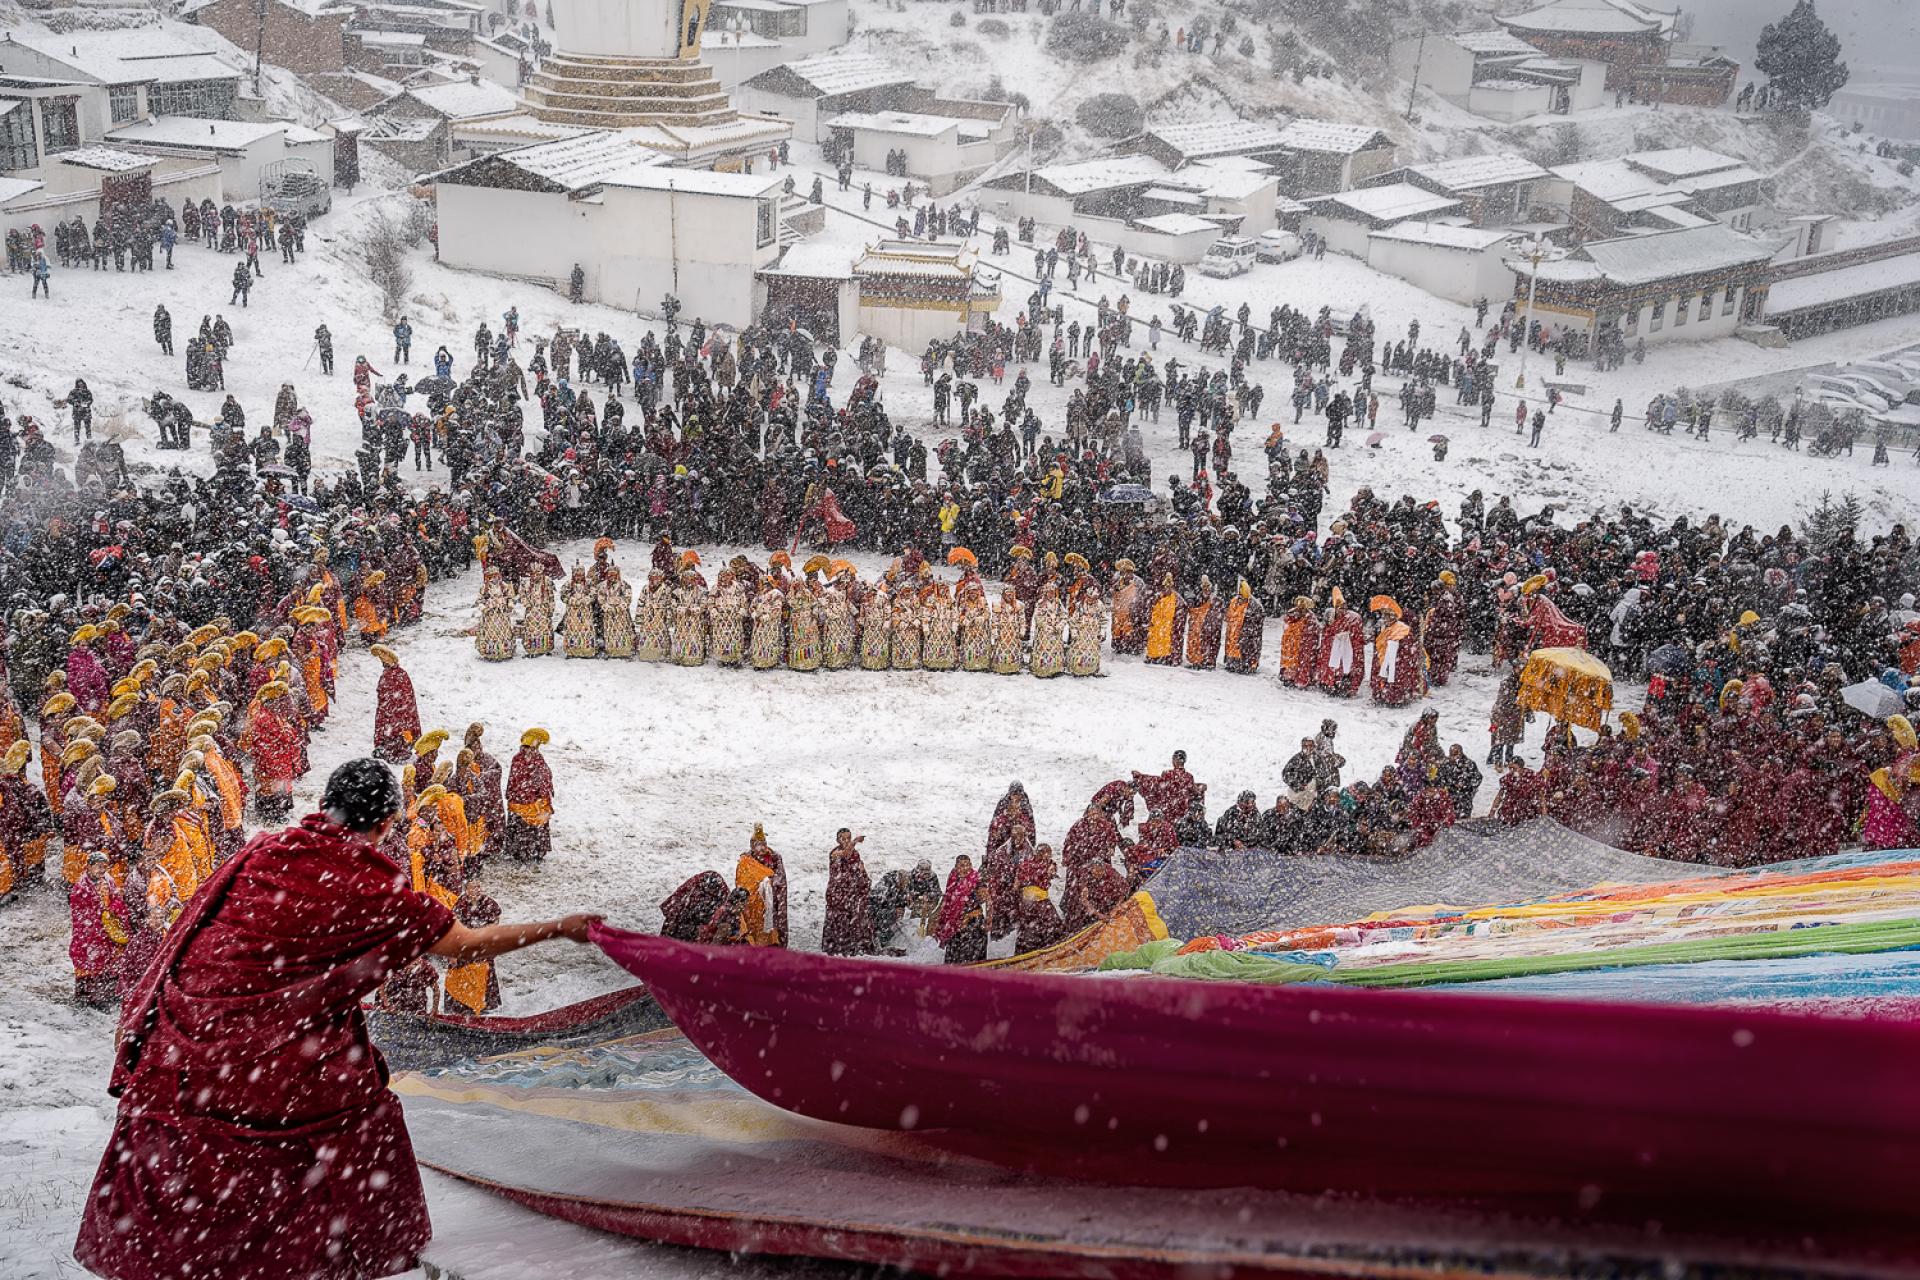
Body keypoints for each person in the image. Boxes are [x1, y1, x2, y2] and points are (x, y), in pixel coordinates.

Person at [74, 758, 599, 1280]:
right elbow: (461, 947)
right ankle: (322, 1254)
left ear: (325, 805)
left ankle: (169, 1255)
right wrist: (559, 926)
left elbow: (200, 928)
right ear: (388, 822)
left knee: (209, 1128)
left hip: (185, 1038)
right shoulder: (370, 888)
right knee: (355, 1108)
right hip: (269, 1056)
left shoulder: (265, 851)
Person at [821, 827, 875, 956]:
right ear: (837, 840)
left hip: (852, 892)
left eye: (848, 838)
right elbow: (844, 854)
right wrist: (855, 841)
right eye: (843, 838)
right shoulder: (834, 853)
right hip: (838, 893)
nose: (846, 841)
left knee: (855, 918)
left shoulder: (855, 854)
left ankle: (854, 946)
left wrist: (863, 878)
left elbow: (859, 868)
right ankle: (837, 946)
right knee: (839, 919)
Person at [503, 727, 554, 861]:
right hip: (523, 802)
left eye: (532, 748)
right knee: (524, 828)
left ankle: (530, 852)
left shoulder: (536, 760)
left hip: (531, 802)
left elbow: (543, 777)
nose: (530, 751)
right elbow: (515, 778)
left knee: (528, 829)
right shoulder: (519, 760)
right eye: (528, 748)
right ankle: (523, 852)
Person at [735, 824, 788, 946]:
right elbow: (741, 880)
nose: (762, 848)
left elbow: (780, 878)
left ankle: (770, 945)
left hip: (768, 901)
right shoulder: (746, 859)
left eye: (764, 844)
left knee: (768, 925)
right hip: (751, 901)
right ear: (752, 846)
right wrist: (755, 884)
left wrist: (768, 883)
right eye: (758, 844)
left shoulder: (774, 857)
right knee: (753, 925)